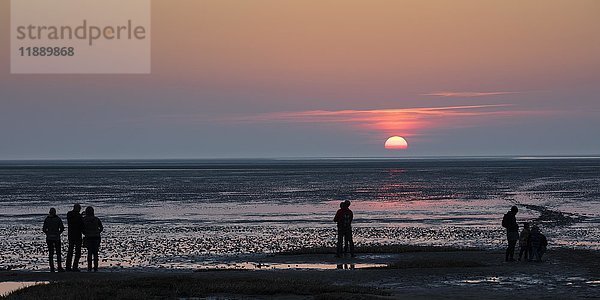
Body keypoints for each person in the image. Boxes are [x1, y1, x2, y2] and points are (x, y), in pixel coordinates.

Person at [42, 208, 65, 272]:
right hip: (56, 238)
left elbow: (44, 229)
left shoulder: (47, 219)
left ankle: (52, 267)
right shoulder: (58, 219)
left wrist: (47, 234)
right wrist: (58, 233)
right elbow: (62, 228)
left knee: (51, 253)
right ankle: (59, 267)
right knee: (58, 253)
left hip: (49, 238)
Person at [82, 206, 103, 272]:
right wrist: (98, 232)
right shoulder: (96, 219)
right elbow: (101, 227)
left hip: (88, 237)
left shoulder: (84, 219)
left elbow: (81, 228)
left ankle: (89, 268)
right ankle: (96, 268)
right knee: (95, 253)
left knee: (89, 253)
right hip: (96, 237)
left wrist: (85, 233)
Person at [66, 204, 84, 271]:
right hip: (77, 235)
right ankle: (74, 267)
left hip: (71, 235)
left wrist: (80, 216)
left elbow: (74, 220)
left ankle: (68, 267)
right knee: (77, 252)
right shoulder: (78, 216)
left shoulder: (69, 214)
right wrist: (81, 216)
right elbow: (80, 224)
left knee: (70, 251)